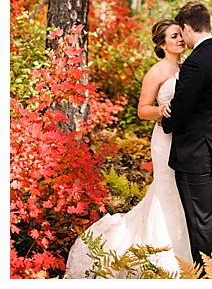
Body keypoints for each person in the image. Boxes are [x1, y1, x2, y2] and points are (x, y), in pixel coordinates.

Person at [65, 20, 193, 278]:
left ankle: (185, 255)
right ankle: (161, 256)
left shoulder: (188, 68)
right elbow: (142, 109)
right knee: (166, 188)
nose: (180, 40)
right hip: (164, 140)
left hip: (186, 139)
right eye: (173, 36)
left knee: (182, 191)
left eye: (180, 35)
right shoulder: (156, 72)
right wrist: (159, 110)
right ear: (161, 44)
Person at [161, 1, 212, 268]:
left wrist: (166, 122)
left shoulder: (195, 64)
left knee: (201, 222)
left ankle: (208, 278)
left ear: (186, 27)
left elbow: (182, 109)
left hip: (196, 154)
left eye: (180, 32)